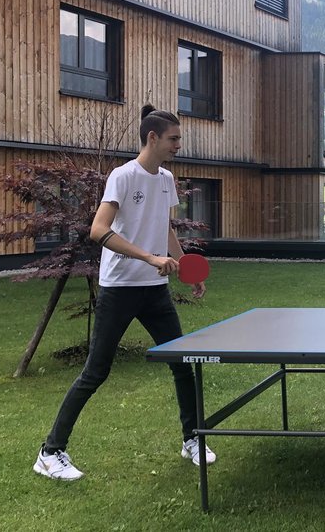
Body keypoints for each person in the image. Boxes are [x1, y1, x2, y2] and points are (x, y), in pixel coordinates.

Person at [33, 105, 214, 481]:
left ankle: (192, 439)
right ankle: (50, 453)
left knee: (182, 363)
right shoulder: (123, 176)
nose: (179, 145)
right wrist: (148, 257)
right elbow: (98, 230)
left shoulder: (166, 179)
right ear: (153, 138)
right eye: (174, 139)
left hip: (155, 291)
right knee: (95, 372)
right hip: (119, 289)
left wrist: (186, 268)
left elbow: (165, 228)